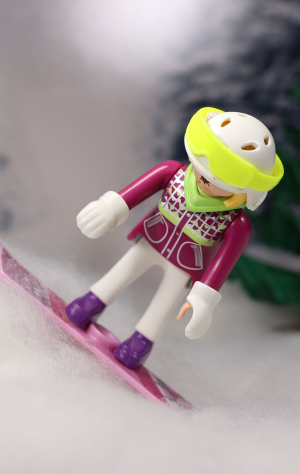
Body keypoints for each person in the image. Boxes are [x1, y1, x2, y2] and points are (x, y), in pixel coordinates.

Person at [66, 107, 284, 368]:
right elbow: (135, 192)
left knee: (164, 303)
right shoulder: (173, 173)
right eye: (202, 166)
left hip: (186, 263)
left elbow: (224, 262)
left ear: (244, 188)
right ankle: (89, 304)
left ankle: (141, 343)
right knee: (121, 271)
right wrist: (110, 208)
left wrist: (203, 299)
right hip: (152, 240)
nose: (203, 178)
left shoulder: (236, 222)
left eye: (217, 178)